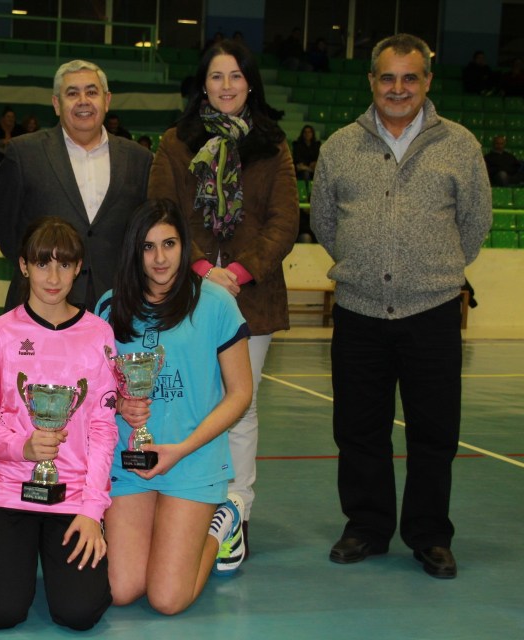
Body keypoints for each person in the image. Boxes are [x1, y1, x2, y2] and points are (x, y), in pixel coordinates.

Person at [310, 34, 492, 579]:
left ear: (427, 82)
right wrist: (365, 263)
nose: (398, 88)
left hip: (432, 310)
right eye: (387, 77)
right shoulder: (340, 145)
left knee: (433, 432)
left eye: (409, 78)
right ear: (371, 81)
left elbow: (475, 224)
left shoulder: (460, 145)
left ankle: (430, 534)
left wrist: (430, 267)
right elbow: (324, 221)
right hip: (360, 312)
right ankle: (366, 527)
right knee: (358, 429)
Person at [147, 40, 299, 559]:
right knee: (184, 403)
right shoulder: (175, 142)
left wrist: (233, 272)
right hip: (183, 294)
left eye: (236, 76)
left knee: (242, 407)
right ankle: (182, 501)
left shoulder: (274, 146)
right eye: (217, 77)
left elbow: (284, 222)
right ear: (203, 85)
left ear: (249, 83)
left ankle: (236, 510)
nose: (227, 86)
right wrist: (200, 270)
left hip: (250, 299)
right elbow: (161, 210)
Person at [0, 217, 119, 630]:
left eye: (64, 264)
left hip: (73, 495)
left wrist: (92, 510)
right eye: (43, 263)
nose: (53, 276)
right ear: (24, 266)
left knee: (80, 613)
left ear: (78, 267)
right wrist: (22, 448)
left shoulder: (99, 334)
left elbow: (103, 428)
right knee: (3, 612)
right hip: (10, 488)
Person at [96, 199, 252, 615]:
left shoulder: (217, 303)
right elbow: (98, 390)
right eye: (148, 247)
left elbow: (240, 393)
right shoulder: (110, 307)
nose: (160, 257)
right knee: (122, 589)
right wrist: (120, 405)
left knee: (167, 599)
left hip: (191, 462)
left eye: (169, 244)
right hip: (129, 463)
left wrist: (181, 449)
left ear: (185, 247)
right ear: (134, 250)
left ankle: (223, 526)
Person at [0, 59, 153, 311]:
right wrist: (44, 270)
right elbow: (5, 227)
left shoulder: (138, 159)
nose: (83, 101)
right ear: (57, 104)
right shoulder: (24, 153)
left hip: (117, 305)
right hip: (42, 304)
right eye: (72, 93)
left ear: (107, 100)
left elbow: (145, 231)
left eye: (91, 92)